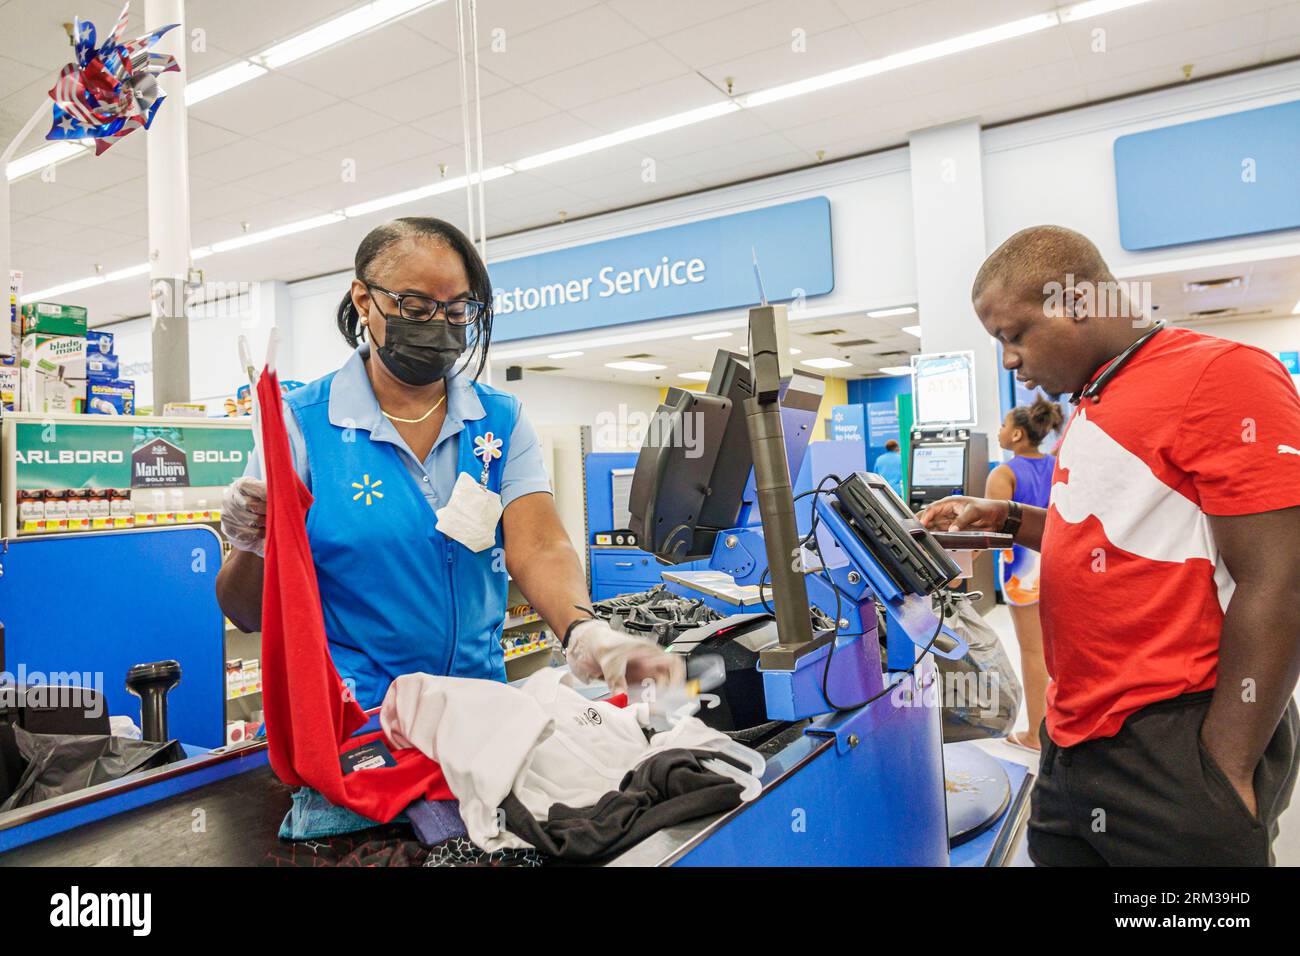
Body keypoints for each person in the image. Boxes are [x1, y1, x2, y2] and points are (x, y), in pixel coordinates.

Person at [920, 224, 1300, 866]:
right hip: (1076, 738)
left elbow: (1281, 578)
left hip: (1174, 742)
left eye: (1013, 335)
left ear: (1073, 304)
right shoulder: (1097, 397)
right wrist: (1009, 517)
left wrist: (1225, 768)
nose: (1009, 360)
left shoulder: (1220, 375)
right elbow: (1106, 535)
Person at [216, 217, 683, 713]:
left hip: (476, 711)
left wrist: (583, 629)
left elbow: (540, 544)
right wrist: (253, 546)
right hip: (355, 721)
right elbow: (247, 613)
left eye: (458, 310)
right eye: (416, 307)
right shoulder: (303, 425)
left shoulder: (499, 420)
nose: (438, 324)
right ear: (363, 300)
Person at [986, 397, 1062, 752]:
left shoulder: (1004, 474)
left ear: (1017, 434)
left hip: (1023, 574)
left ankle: (1035, 733)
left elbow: (989, 533)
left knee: (1033, 653)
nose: (999, 431)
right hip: (1063, 565)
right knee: (1061, 650)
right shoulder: (1060, 464)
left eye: (1003, 425)